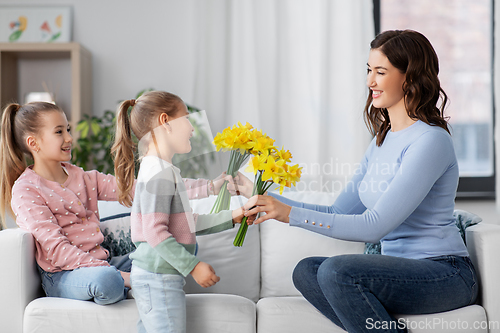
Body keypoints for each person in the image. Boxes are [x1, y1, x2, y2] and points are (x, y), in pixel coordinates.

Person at [238, 30, 478, 333]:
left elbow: (374, 226)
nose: (370, 82)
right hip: (400, 274)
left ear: (410, 78)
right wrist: (268, 201)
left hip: (444, 274)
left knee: (337, 271)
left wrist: (290, 215)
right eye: (368, 70)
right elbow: (341, 211)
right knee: (306, 271)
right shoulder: (382, 139)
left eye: (380, 72)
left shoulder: (431, 141)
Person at [0, 101, 233, 306]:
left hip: (104, 262)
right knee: (109, 281)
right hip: (64, 274)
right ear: (34, 143)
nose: (69, 138)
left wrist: (211, 187)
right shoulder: (26, 190)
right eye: (59, 132)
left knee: (178, 246)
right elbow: (58, 251)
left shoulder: (84, 177)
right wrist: (125, 277)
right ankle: (131, 287)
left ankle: (132, 286)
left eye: (68, 129)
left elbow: (146, 188)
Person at [112, 90, 252, 333]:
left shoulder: (159, 168)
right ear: (165, 122)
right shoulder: (159, 173)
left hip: (155, 276)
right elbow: (156, 233)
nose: (193, 128)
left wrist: (233, 216)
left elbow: (185, 223)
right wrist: (194, 266)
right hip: (158, 278)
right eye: (187, 118)